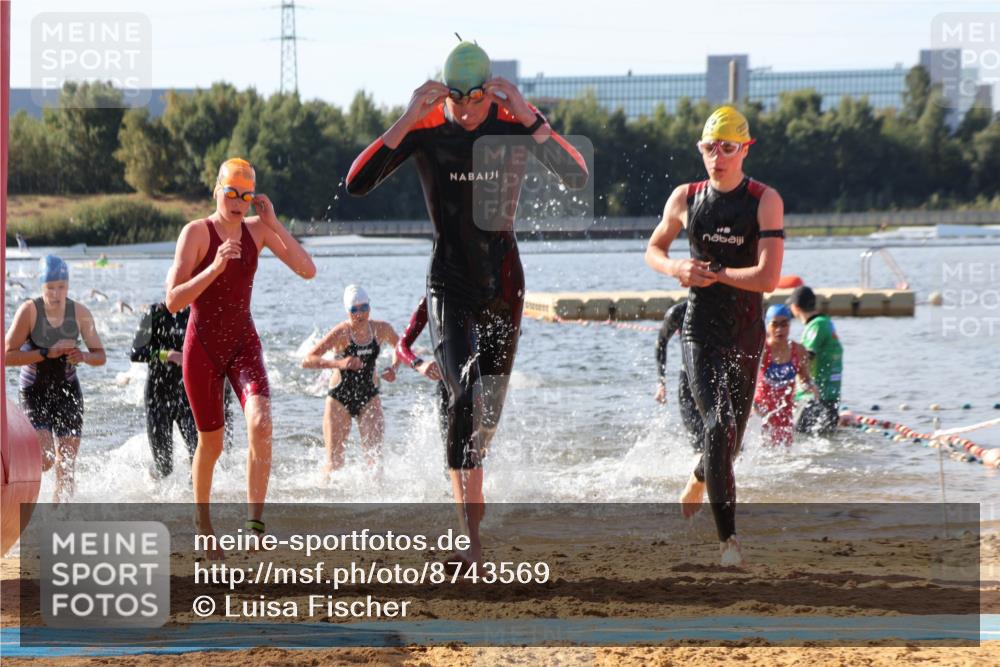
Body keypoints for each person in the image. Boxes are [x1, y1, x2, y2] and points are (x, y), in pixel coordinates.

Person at [346, 39, 588, 569]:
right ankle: (471, 539)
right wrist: (407, 117)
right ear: (446, 92)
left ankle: (464, 474)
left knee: (486, 414)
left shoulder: (512, 122)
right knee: (464, 393)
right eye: (458, 99)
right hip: (449, 282)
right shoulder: (426, 127)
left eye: (478, 98)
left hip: (503, 284)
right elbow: (357, 183)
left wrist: (530, 116)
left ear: (490, 91)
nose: (469, 109)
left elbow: (577, 176)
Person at [645, 106, 784, 567]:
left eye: (728, 148)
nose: (718, 157)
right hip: (700, 328)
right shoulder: (686, 197)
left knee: (731, 443)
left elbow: (768, 278)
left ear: (745, 149)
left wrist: (718, 272)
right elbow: (654, 249)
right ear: (700, 149)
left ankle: (701, 475)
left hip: (745, 331)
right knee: (718, 424)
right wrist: (677, 268)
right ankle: (730, 542)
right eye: (710, 147)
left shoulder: (764, 200)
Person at [165, 158, 316, 559]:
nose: (237, 203)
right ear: (217, 191)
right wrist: (215, 267)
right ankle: (203, 523)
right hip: (202, 349)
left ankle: (254, 526)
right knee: (211, 444)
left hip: (243, 344)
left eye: (245, 196)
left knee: (261, 423)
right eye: (230, 193)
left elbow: (307, 270)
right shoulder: (196, 233)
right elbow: (173, 300)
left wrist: (275, 222)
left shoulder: (257, 230)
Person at [3, 255, 107, 502]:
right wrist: (45, 353)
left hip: (67, 390)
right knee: (46, 459)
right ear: (41, 285)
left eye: (61, 286)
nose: (56, 293)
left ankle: (60, 515)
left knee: (67, 462)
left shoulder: (80, 313)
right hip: (34, 390)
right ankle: (11, 468)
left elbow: (100, 356)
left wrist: (82, 356)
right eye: (50, 287)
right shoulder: (29, 312)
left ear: (68, 285)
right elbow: (6, 356)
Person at [302, 286, 400, 474]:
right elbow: (308, 360)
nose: (360, 314)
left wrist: (394, 368)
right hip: (339, 399)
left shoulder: (381, 329)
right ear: (347, 311)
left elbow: (401, 347)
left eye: (364, 308)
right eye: (354, 310)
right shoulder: (341, 332)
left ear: (370, 307)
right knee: (334, 464)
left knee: (376, 464)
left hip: (369, 397)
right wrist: (338, 363)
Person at [129, 303, 233, 479]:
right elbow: (136, 353)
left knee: (199, 456)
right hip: (158, 396)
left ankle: (194, 495)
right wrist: (168, 355)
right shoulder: (155, 313)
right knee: (164, 467)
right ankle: (155, 488)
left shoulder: (197, 313)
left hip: (188, 398)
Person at [752, 304, 817, 448]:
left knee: (785, 454)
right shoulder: (762, 350)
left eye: (784, 324)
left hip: (784, 415)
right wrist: (753, 406)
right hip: (761, 413)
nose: (779, 330)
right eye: (774, 324)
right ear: (767, 326)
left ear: (789, 325)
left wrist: (811, 387)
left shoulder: (798, 351)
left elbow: (805, 379)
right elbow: (746, 384)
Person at [788, 286, 843, 435]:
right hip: (831, 396)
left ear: (795, 307)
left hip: (813, 397)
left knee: (798, 437)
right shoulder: (826, 322)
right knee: (824, 437)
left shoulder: (816, 325)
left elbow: (806, 356)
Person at [394, 297, 448, 442]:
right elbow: (401, 346)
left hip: (479, 384)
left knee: (480, 448)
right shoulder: (432, 298)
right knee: (451, 450)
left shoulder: (478, 292)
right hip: (447, 386)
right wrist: (419, 364)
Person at [655, 301, 703, 452]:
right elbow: (661, 343)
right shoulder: (678, 312)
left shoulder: (721, 310)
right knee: (698, 442)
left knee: (729, 441)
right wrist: (661, 382)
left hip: (717, 378)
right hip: (688, 380)